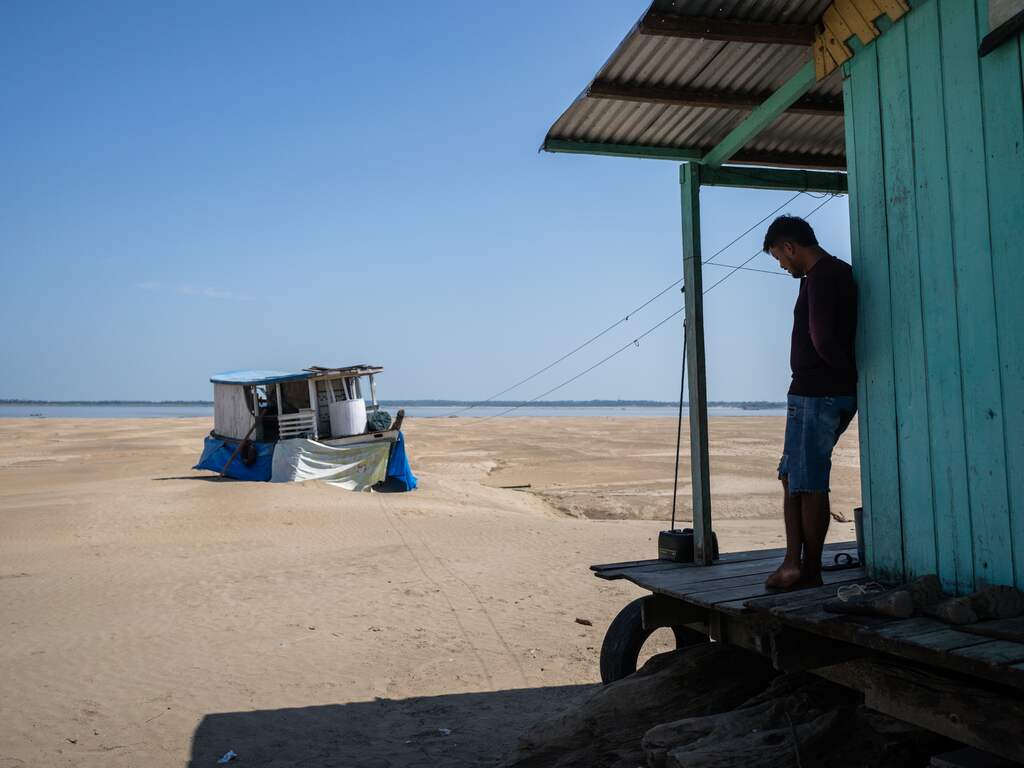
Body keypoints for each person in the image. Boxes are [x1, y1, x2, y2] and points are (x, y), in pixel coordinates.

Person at [762, 215, 857, 590]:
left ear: (790, 247)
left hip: (817, 393)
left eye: (779, 258)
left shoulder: (821, 277)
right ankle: (796, 563)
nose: (782, 266)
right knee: (793, 477)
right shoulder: (834, 274)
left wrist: (839, 372)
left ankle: (803, 569)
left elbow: (821, 337)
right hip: (820, 391)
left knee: (808, 481)